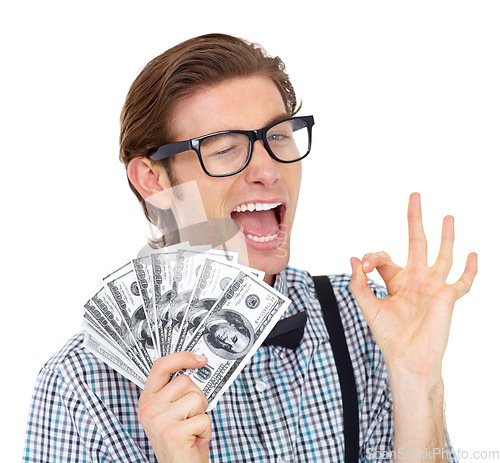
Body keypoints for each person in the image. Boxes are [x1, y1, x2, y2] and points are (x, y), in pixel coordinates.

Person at [23, 33, 477, 462]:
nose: (267, 170)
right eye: (224, 148)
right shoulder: (79, 388)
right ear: (154, 180)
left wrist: (418, 381)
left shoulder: (373, 322)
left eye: (278, 135)